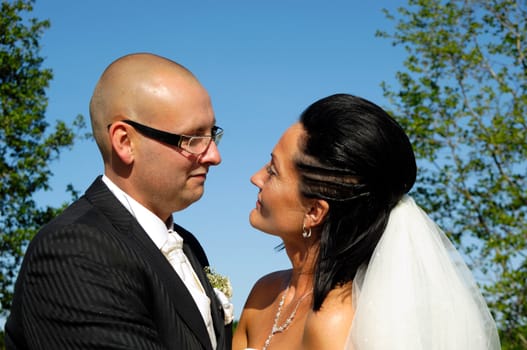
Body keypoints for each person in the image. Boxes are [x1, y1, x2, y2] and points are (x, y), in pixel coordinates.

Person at [233, 93, 500, 350]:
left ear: (314, 211)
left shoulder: (334, 320)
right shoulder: (264, 293)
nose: (256, 177)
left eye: (272, 170)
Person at [5, 53, 232, 349]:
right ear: (125, 142)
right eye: (192, 139)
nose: (214, 156)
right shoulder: (75, 250)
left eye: (212, 134)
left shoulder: (188, 245)